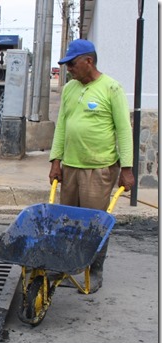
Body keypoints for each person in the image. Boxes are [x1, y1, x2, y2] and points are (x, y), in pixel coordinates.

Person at [48, 39, 135, 293]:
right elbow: (62, 126)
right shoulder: (69, 89)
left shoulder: (111, 88)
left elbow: (124, 131)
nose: (69, 69)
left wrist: (127, 169)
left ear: (89, 61)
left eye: (72, 64)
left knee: (95, 222)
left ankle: (95, 271)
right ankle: (67, 266)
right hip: (71, 167)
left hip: (99, 169)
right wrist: (56, 161)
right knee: (68, 221)